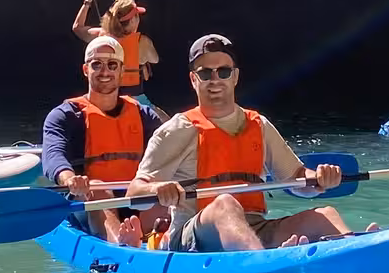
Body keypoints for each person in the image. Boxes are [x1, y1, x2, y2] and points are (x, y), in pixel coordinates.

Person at [127, 34, 364, 252]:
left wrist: (318, 179)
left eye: (223, 72)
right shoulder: (177, 130)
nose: (215, 80)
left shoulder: (259, 125)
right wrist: (156, 189)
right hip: (192, 236)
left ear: (235, 76)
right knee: (225, 205)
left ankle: (357, 254)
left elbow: (297, 179)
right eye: (205, 73)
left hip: (254, 228)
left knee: (324, 214)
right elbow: (135, 191)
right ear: (193, 79)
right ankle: (264, 271)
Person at [40, 34, 169, 243]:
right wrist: (69, 179)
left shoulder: (145, 115)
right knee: (99, 188)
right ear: (85, 70)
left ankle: (156, 241)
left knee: (160, 190)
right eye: (97, 64)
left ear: (121, 71)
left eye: (112, 65)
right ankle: (120, 243)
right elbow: (53, 155)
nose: (105, 71)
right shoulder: (65, 115)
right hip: (88, 201)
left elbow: (170, 152)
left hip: (135, 196)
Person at [71, 0, 161, 108]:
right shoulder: (143, 42)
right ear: (133, 20)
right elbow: (155, 59)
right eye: (137, 16)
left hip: (105, 97)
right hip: (134, 99)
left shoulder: (100, 35)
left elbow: (77, 28)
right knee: (165, 122)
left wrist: (88, 0)